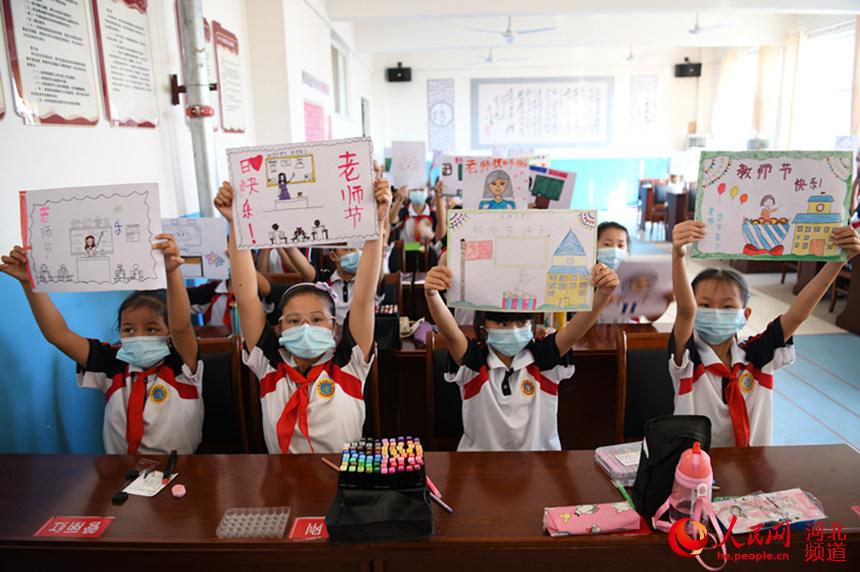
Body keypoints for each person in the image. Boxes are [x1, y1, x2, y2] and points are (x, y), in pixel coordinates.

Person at [213, 174, 391, 454]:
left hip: (343, 482)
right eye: (294, 321)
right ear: (279, 328)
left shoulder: (350, 363)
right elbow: (247, 298)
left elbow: (364, 296)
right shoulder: (269, 365)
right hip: (281, 484)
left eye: (317, 319)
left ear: (334, 327)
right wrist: (235, 223)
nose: (306, 326)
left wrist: (376, 224)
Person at [0, 235, 203, 454]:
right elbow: (59, 335)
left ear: (169, 333)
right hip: (121, 473)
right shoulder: (111, 362)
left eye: (151, 329)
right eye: (128, 329)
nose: (138, 336)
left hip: (180, 470)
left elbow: (182, 327)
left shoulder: (181, 364)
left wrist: (172, 272)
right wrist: (29, 284)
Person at [669, 220, 860, 447]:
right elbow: (685, 312)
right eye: (706, 305)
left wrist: (837, 262)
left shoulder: (758, 354)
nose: (717, 313)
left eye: (728, 307)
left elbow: (798, 313)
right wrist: (678, 256)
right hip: (695, 469)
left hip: (755, 467)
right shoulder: (688, 358)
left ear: (746, 314)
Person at [423, 260, 619, 451]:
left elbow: (575, 331)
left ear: (532, 324)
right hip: (478, 465)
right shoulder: (474, 360)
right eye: (502, 324)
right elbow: (449, 331)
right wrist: (431, 293)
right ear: (483, 326)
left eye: (521, 323)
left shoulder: (544, 358)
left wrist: (602, 294)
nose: (514, 330)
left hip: (541, 464)